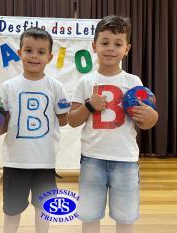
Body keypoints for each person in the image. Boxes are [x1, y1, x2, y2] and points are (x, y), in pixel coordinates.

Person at [0, 27, 71, 233]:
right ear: (19, 53)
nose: (34, 56)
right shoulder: (8, 86)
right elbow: (4, 124)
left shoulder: (56, 86)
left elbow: (64, 120)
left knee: (45, 208)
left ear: (49, 57)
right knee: (12, 210)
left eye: (41, 52)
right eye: (29, 50)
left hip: (45, 162)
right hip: (15, 162)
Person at [68, 15, 158, 233]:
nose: (110, 49)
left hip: (125, 159)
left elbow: (147, 121)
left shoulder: (133, 82)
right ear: (94, 46)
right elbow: (72, 120)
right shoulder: (86, 82)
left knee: (126, 217)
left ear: (127, 49)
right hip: (92, 158)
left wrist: (151, 116)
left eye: (117, 44)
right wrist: (89, 106)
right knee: (89, 215)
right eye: (105, 42)